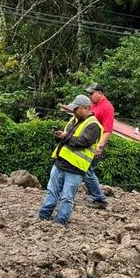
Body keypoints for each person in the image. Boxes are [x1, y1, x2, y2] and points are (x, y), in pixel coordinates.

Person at [38, 95, 103, 226]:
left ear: (85, 108)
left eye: (76, 108)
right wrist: (60, 136)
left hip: (75, 168)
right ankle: (43, 217)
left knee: (67, 197)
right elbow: (68, 138)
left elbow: (83, 142)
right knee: (52, 191)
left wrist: (65, 136)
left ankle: (60, 222)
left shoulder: (93, 125)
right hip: (60, 163)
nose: (73, 111)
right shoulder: (75, 120)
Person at [82, 83, 114, 209]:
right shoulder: (93, 105)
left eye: (91, 93)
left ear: (100, 93)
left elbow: (108, 130)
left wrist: (99, 146)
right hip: (87, 143)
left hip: (95, 146)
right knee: (83, 170)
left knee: (87, 171)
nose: (89, 96)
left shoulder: (107, 107)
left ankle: (100, 199)